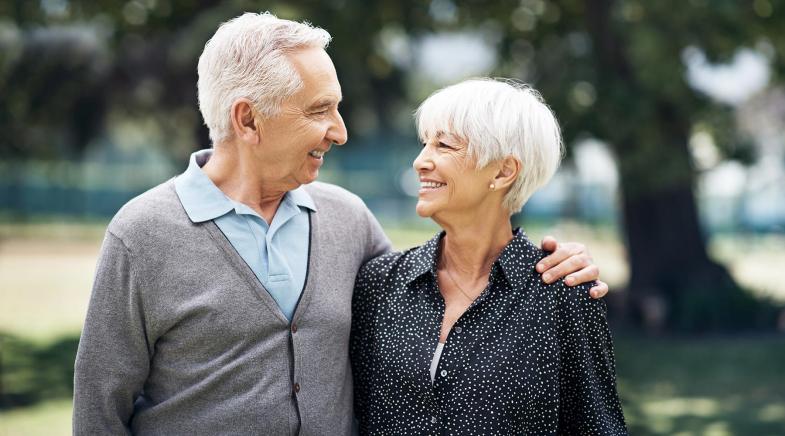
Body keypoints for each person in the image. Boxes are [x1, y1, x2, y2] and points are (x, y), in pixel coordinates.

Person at [73, 13, 608, 435]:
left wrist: (566, 265)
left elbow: (451, 274)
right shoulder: (142, 233)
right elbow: (98, 411)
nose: (340, 131)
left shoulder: (347, 221)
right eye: (319, 110)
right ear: (247, 119)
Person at [351, 79, 627, 435]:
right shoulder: (380, 283)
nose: (420, 161)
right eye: (424, 144)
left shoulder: (564, 293)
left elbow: (598, 427)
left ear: (503, 171)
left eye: (444, 145)